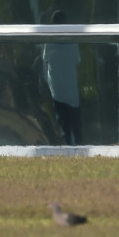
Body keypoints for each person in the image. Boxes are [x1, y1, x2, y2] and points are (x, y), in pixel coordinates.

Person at [40, 10, 82, 145]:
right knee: (72, 121)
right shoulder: (71, 43)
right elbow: (77, 63)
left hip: (58, 90)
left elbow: (46, 62)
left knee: (63, 121)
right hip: (67, 89)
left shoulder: (50, 43)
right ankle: (75, 145)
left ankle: (68, 145)